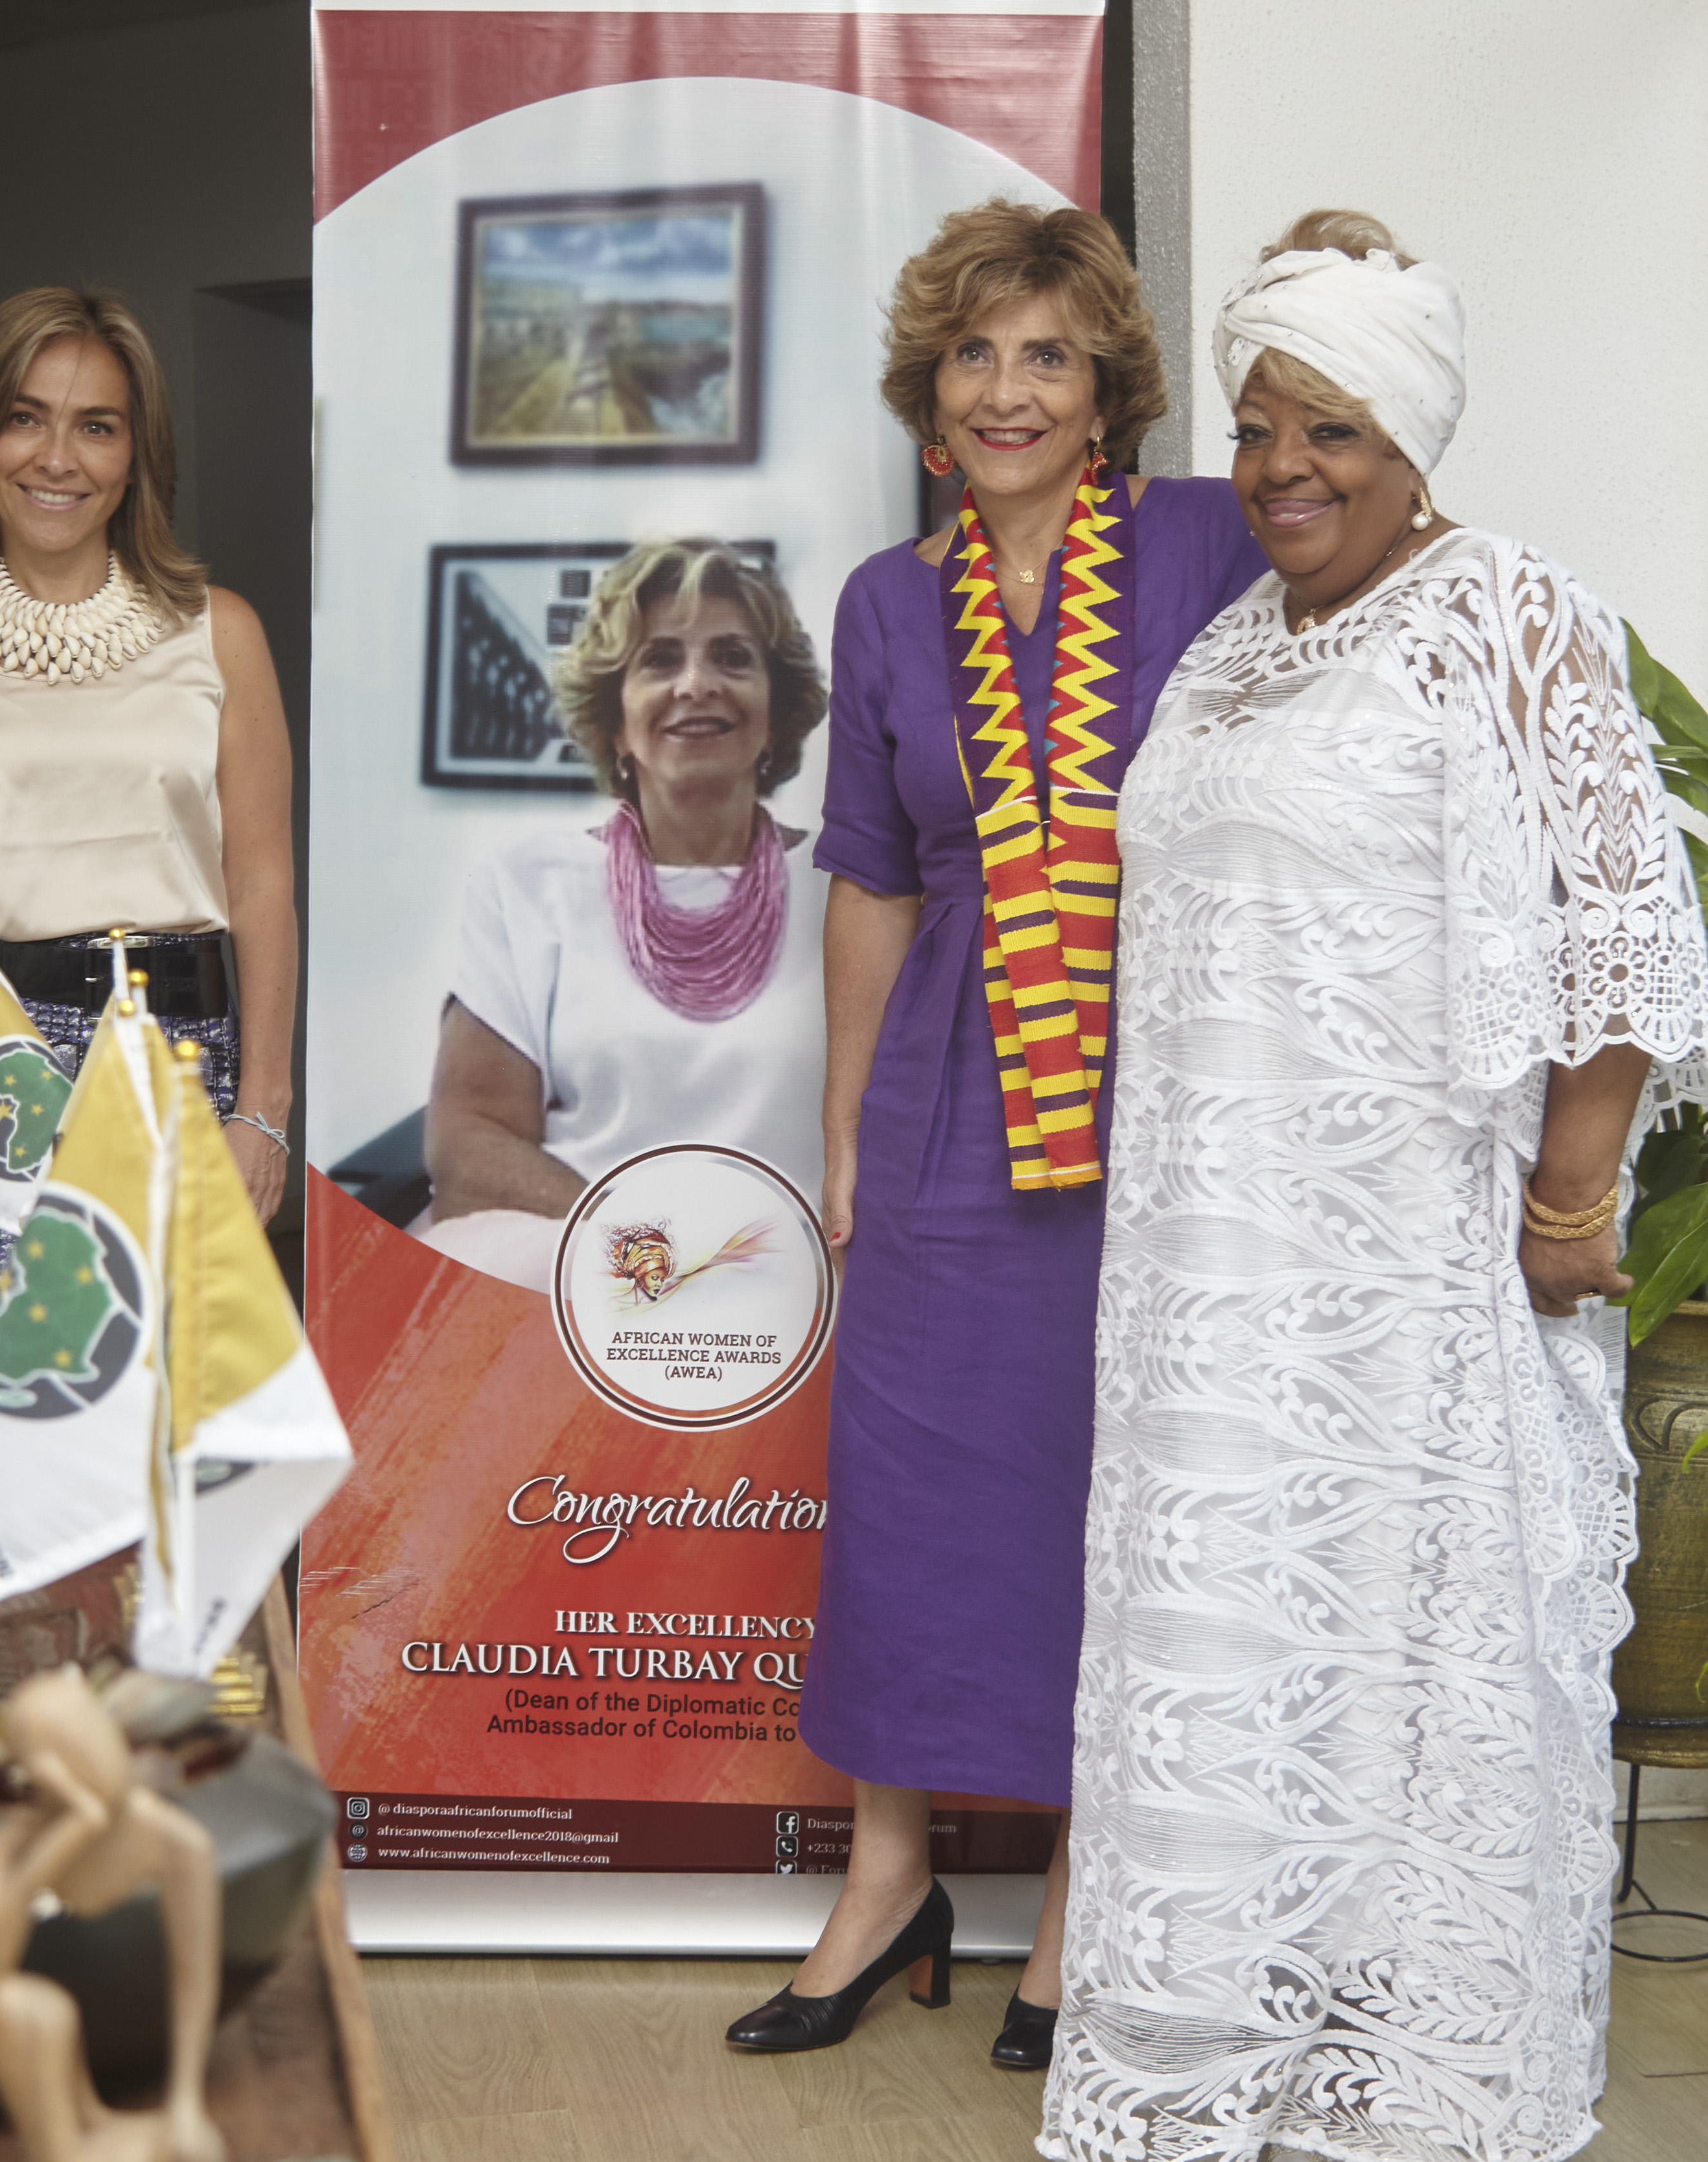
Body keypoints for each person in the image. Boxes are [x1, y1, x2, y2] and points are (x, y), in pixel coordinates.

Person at [1037, 213, 1708, 2162]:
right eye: (1260, 426)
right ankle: (1237, 2043)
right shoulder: (1239, 643)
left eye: (1330, 428)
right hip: (1215, 1275)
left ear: (1414, 435)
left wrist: (1567, 1205)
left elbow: (1618, 928)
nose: (1282, 469)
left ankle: (1404, 2065)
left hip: (1409, 1270)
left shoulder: (1510, 610)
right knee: (1246, 1656)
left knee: (1405, 1665)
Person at [727, 202, 1267, 2063]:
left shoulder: (1208, 541)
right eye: (975, 354)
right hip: (953, 1081)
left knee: (1104, 1481)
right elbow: (868, 879)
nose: (1009, 389)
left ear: (1110, 383)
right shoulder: (888, 600)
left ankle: (1079, 1893)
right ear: (929, 394)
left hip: (1162, 1078)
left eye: (1047, 353)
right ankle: (888, 1877)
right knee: (912, 1477)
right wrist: (847, 1126)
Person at [0, 288, 297, 1361]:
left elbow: (264, 884)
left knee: (169, 1420)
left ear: (136, 456)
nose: (58, 457)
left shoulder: (217, 632)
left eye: (96, 425)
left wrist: (264, 1111)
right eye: (23, 416)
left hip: (182, 1065)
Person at [422, 539, 830, 1291]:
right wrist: (649, 1256)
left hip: (797, 1283)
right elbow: (469, 1144)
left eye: (733, 658)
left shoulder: (849, 888)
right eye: (659, 660)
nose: (696, 683)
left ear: (776, 716)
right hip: (578, 1269)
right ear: (613, 722)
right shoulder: (526, 885)